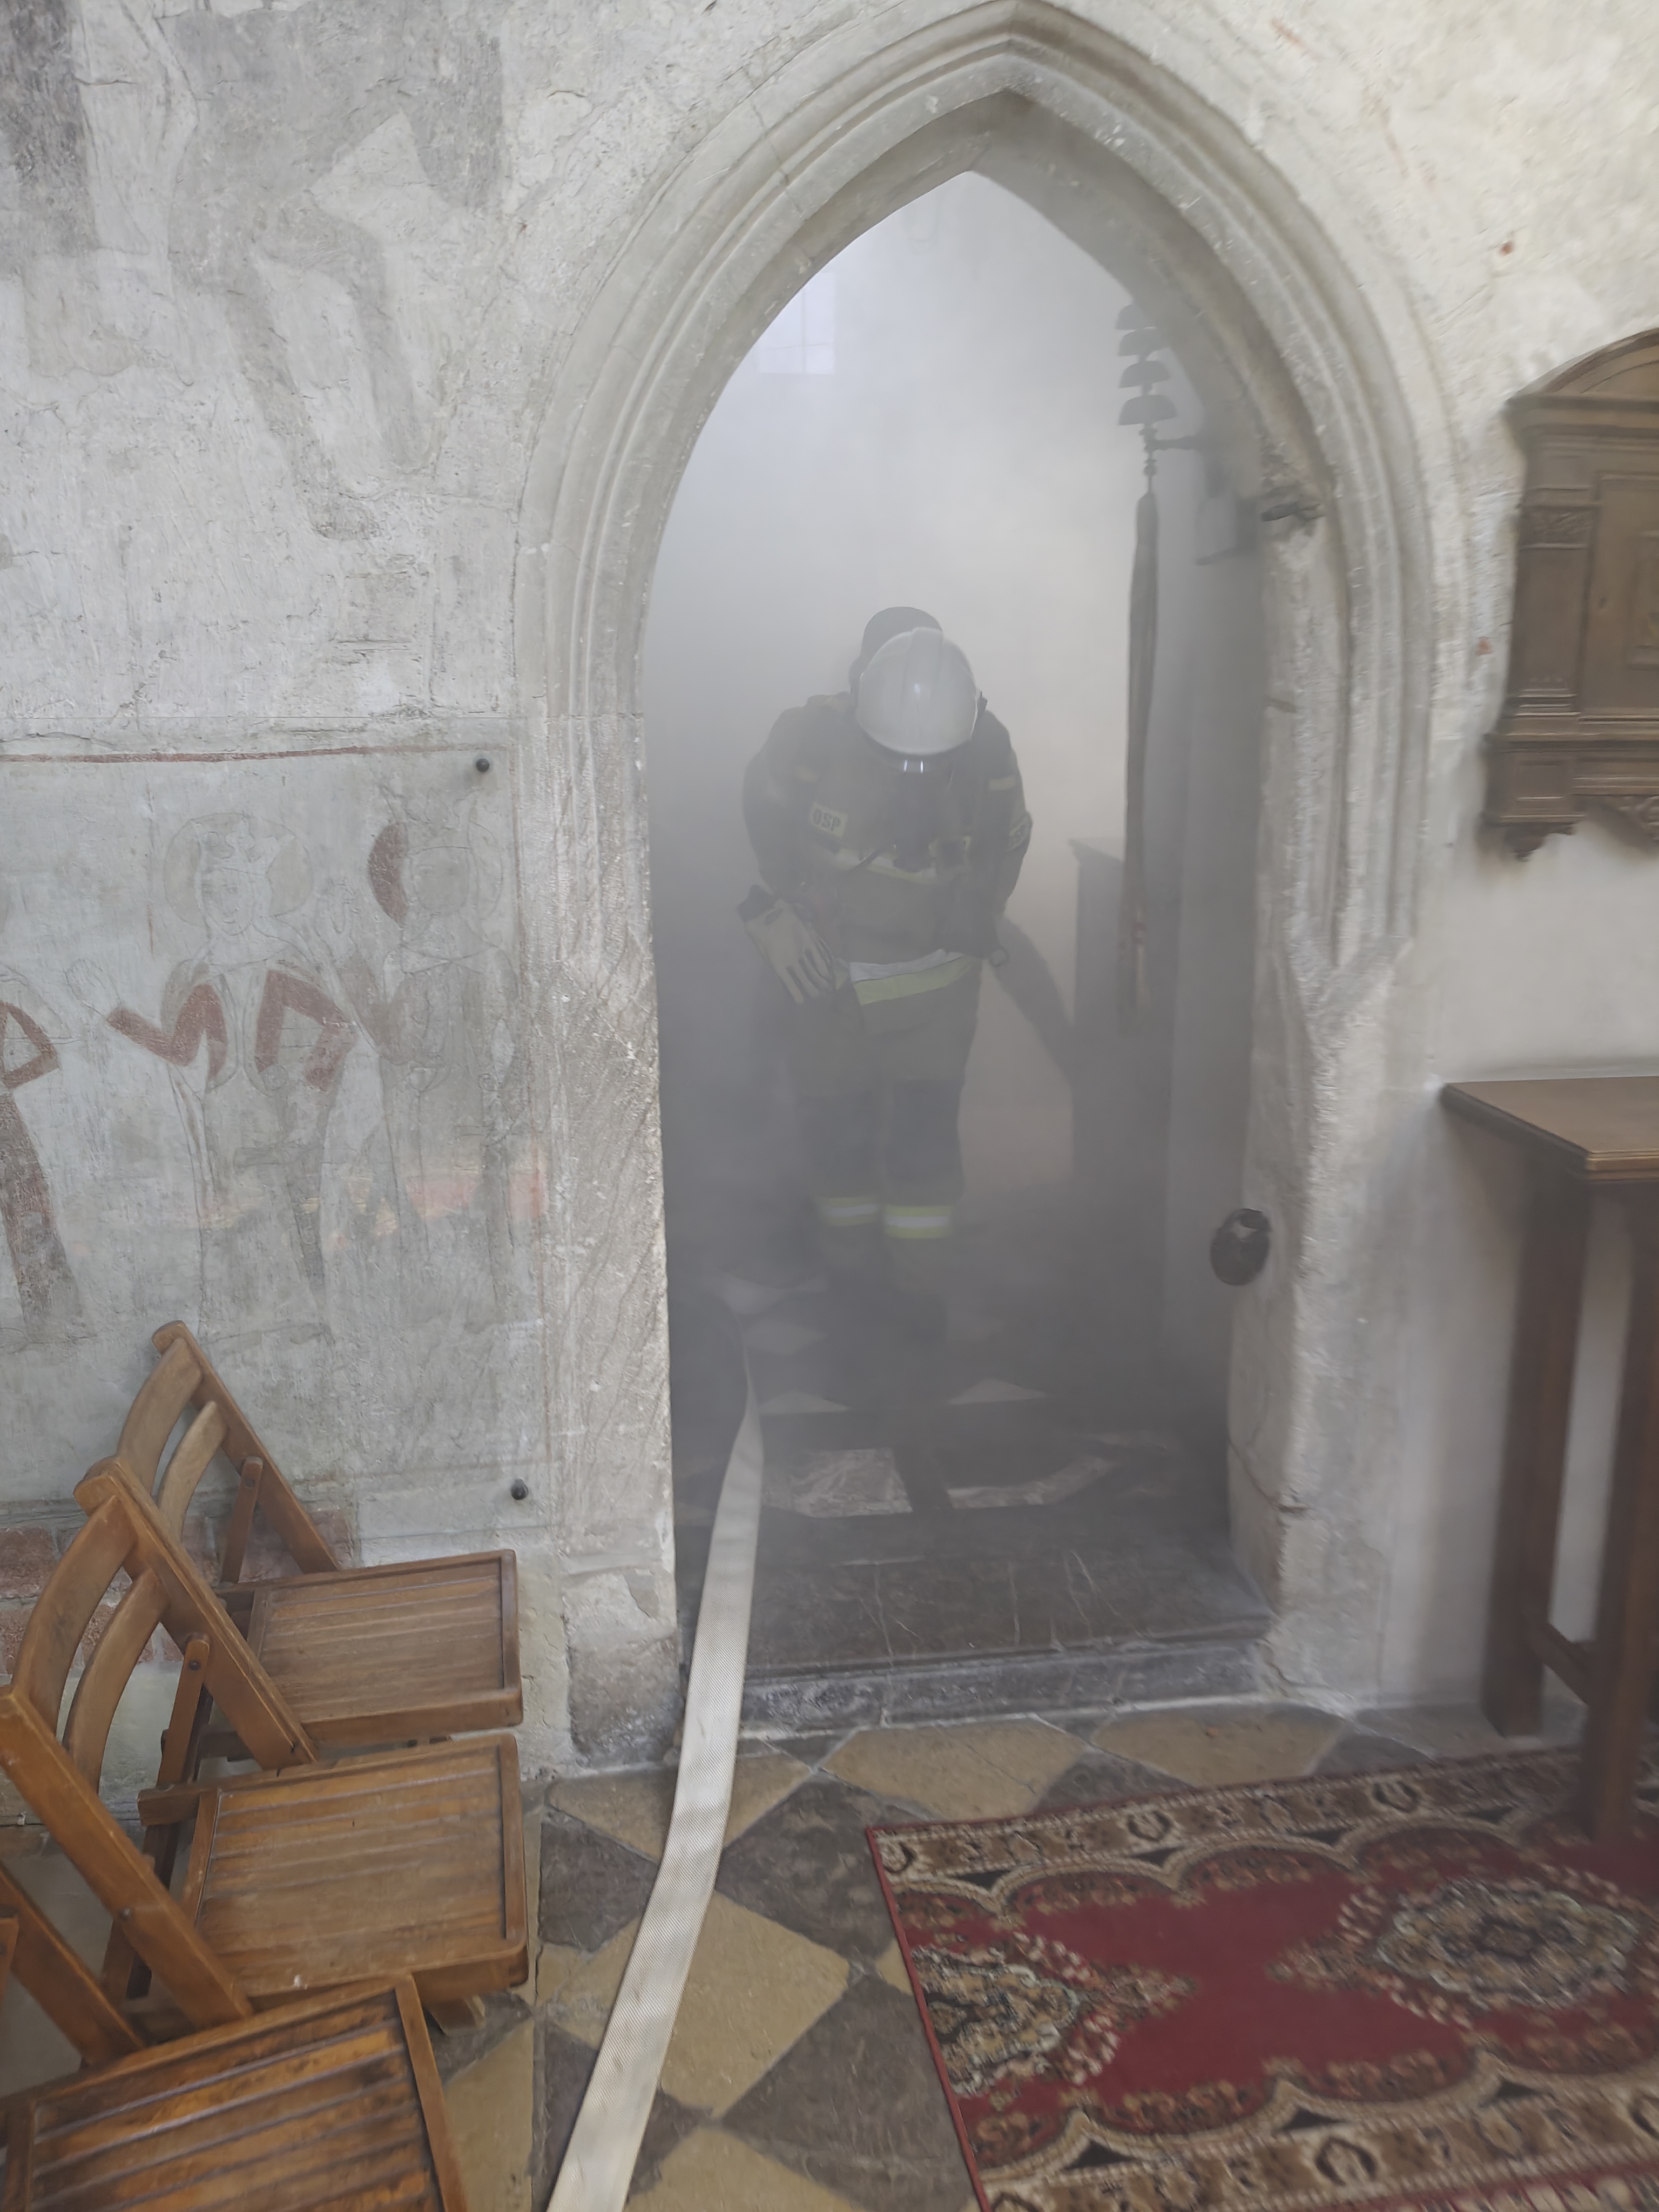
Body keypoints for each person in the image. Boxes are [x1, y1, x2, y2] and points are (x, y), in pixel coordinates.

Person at [740, 606, 1031, 1344]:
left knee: (922, 1152)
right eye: (893, 757)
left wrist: (975, 911)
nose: (913, 776)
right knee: (836, 1140)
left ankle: (917, 1302)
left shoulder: (987, 758)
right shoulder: (808, 741)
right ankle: (850, 1283)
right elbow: (764, 807)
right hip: (824, 987)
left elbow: (1008, 847)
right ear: (859, 696)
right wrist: (780, 906)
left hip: (934, 1001)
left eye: (930, 762)